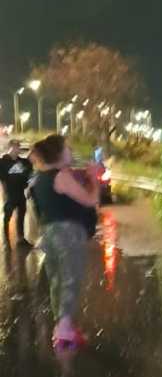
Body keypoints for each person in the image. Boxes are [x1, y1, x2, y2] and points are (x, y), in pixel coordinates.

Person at [29, 134, 100, 348]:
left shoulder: (39, 177)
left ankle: (62, 326)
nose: (70, 151)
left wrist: (84, 175)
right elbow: (91, 200)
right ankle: (64, 330)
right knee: (71, 279)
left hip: (49, 234)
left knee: (57, 280)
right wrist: (95, 179)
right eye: (67, 148)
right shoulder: (61, 177)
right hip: (68, 233)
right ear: (59, 153)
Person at [0, 139, 34, 247]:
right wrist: (4, 194)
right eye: (15, 147)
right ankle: (6, 241)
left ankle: (21, 238)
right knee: (7, 217)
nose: (17, 149)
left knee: (21, 216)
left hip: (21, 194)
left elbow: (29, 174)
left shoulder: (22, 162)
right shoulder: (3, 162)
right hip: (10, 194)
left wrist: (29, 189)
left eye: (18, 147)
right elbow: (2, 179)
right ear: (10, 147)